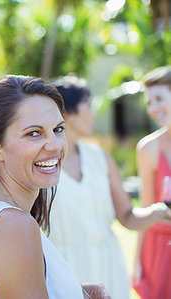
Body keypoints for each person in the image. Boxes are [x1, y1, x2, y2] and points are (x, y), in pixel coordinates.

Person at [0, 75, 111, 299]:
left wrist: (73, 290)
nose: (55, 145)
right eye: (33, 133)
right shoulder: (15, 226)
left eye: (58, 129)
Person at [47, 76, 171, 299]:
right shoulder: (42, 162)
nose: (94, 114)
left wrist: (159, 211)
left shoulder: (101, 157)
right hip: (63, 269)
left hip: (108, 266)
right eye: (88, 106)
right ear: (67, 112)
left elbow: (127, 216)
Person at [133, 66, 171, 299]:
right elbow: (145, 208)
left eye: (159, 99)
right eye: (149, 102)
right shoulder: (148, 148)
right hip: (160, 250)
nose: (153, 108)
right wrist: (138, 259)